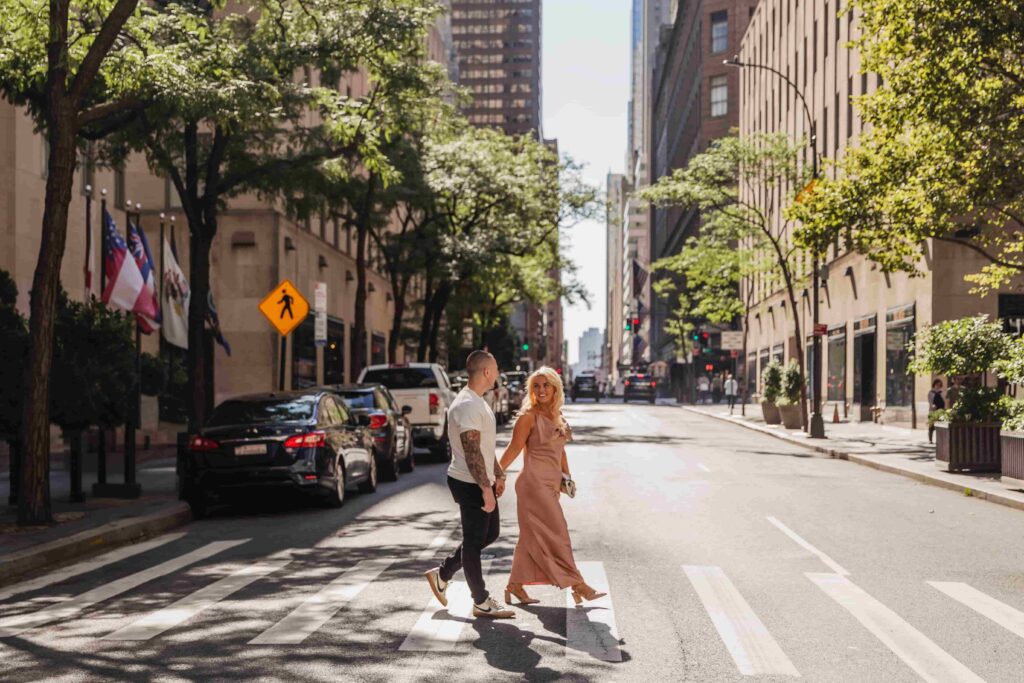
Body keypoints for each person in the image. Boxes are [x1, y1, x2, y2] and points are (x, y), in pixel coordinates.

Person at [497, 366, 607, 606]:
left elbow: (560, 451)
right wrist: (495, 474)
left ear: (556, 387)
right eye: (536, 386)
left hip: (551, 485)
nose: (541, 390)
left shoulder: (559, 417)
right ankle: (578, 584)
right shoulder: (528, 417)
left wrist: (566, 478)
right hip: (533, 485)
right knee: (558, 534)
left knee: (531, 536)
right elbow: (514, 449)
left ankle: (515, 585)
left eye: (546, 385)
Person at [424, 350, 514, 619]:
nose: (498, 373)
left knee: (490, 534)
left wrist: (498, 473)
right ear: (486, 372)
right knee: (474, 541)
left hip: (480, 481)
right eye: (496, 367)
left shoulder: (478, 402)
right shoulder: (466, 406)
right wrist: (485, 488)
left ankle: (442, 574)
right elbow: (471, 450)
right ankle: (481, 600)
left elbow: (484, 448)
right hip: (469, 483)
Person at [927, 378, 946, 443]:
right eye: (937, 384)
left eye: (939, 385)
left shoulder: (943, 392)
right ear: (934, 385)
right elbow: (930, 401)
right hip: (933, 410)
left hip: (941, 410)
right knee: (931, 426)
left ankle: (940, 439)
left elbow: (945, 401)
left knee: (941, 425)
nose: (938, 386)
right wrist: (932, 406)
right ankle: (930, 439)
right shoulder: (931, 392)